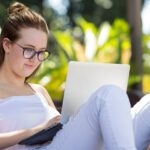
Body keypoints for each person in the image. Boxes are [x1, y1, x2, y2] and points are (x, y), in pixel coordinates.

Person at [0, 2, 137, 150]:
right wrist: (35, 130)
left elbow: (61, 129)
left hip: (62, 143)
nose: (35, 59)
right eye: (29, 49)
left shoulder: (39, 91)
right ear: (7, 45)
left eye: (41, 52)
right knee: (108, 94)